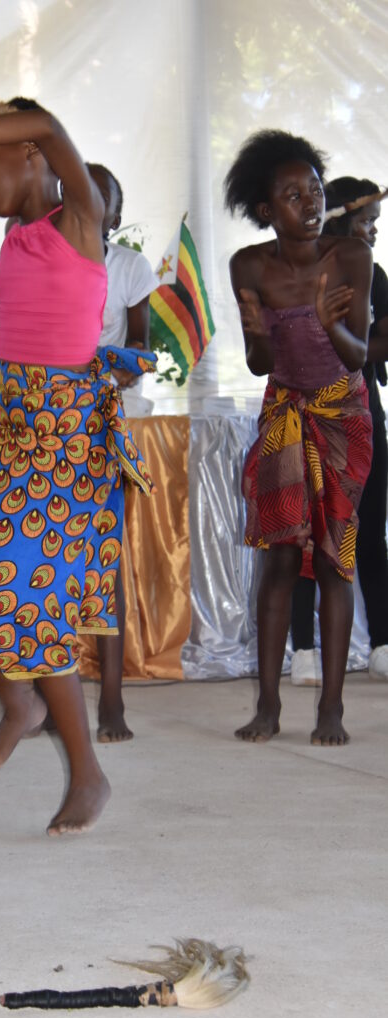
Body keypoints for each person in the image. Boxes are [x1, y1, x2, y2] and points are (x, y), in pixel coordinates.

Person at [0, 100, 157, 834]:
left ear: (33, 158)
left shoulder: (76, 221)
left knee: (31, 598)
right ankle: (20, 703)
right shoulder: (15, 236)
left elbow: (44, 122)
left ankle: (87, 775)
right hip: (14, 425)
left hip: (65, 434)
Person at [224, 130, 373, 745]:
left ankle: (331, 708)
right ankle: (267, 705)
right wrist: (259, 333)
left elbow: (358, 353)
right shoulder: (249, 266)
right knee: (280, 558)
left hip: (342, 414)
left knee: (337, 559)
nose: (309, 203)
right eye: (292, 195)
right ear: (266, 210)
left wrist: (327, 320)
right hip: (284, 412)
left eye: (313, 190)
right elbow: (260, 362)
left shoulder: (352, 257)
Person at [289, 178, 388, 684]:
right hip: (307, 417)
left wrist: (345, 342)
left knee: (369, 530)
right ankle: (304, 651)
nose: (372, 232)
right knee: (307, 536)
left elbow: (378, 345)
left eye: (375, 223)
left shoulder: (376, 275)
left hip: (362, 418)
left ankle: (382, 643)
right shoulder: (302, 274)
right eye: (365, 222)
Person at [87, 162, 158, 741]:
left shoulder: (127, 267)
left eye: (99, 198)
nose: (86, 206)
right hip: (41, 420)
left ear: (114, 212)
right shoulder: (36, 254)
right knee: (43, 555)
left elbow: (139, 353)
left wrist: (98, 365)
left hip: (101, 422)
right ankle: (44, 692)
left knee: (103, 556)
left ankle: (111, 696)